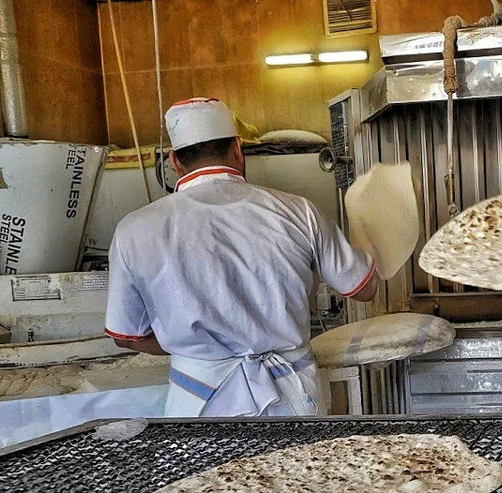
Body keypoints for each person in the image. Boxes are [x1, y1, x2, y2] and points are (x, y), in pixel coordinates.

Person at [104, 97, 377, 417]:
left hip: (198, 406)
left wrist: (201, 350)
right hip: (292, 399)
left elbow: (128, 336)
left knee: (206, 470)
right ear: (237, 148)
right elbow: (364, 289)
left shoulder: (134, 229)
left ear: (175, 162)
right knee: (301, 468)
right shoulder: (299, 212)